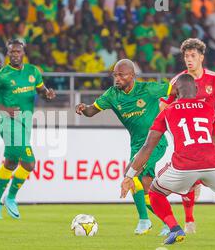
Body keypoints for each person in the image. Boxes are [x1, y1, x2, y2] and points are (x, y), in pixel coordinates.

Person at [121, 74, 215, 245]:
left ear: (175, 92)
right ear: (197, 90)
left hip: (183, 165)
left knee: (155, 193)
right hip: (214, 162)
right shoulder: (208, 109)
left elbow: (147, 147)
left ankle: (175, 229)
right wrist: (207, 173)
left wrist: (129, 175)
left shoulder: (167, 111)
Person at [75, 59, 175, 236]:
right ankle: (168, 223)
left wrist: (180, 105)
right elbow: (91, 111)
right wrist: (83, 108)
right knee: (146, 188)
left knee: (131, 173)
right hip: (137, 146)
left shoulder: (147, 89)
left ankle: (144, 221)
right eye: (115, 75)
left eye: (121, 75)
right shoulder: (112, 95)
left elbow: (174, 89)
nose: (117, 79)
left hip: (155, 143)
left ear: (132, 76)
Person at [160, 38, 215, 234]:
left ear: (201, 57)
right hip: (187, 136)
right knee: (192, 177)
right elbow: (164, 105)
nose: (189, 59)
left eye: (193, 55)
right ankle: (189, 220)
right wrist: (171, 128)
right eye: (186, 56)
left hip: (211, 135)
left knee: (199, 173)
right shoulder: (178, 81)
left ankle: (198, 187)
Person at [0, 39, 56, 219]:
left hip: (26, 123)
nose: (15, 55)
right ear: (7, 54)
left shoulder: (33, 72)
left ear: (23, 53)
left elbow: (41, 90)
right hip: (9, 123)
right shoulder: (1, 75)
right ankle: (10, 198)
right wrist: (4, 109)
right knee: (29, 163)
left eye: (18, 52)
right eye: (11, 52)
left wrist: (47, 94)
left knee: (11, 163)